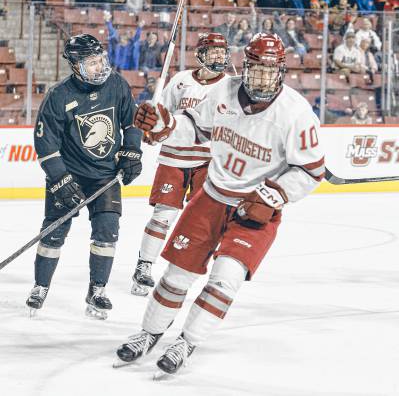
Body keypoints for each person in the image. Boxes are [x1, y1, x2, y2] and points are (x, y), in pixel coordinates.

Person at [116, 33, 325, 376]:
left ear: (281, 71)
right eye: (256, 70)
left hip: (255, 209)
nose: (261, 78)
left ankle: (187, 341)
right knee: (176, 275)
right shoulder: (222, 92)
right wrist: (165, 126)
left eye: (269, 71)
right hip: (212, 196)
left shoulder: (296, 114)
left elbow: (309, 172)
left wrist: (274, 196)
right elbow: (195, 130)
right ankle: (149, 333)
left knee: (224, 280)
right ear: (245, 68)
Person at [26, 34, 143, 319]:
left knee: (107, 233)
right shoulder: (59, 95)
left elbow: (132, 122)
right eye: (91, 63)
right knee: (53, 232)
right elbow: (46, 144)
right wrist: (60, 179)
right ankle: (40, 286)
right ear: (75, 65)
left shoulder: (116, 84)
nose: (99, 67)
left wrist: (132, 151)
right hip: (70, 175)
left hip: (105, 177)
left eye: (100, 60)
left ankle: (97, 290)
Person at [130, 33, 229, 296]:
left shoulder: (230, 86)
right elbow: (160, 115)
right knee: (163, 215)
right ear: (200, 55)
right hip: (173, 157)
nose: (219, 56)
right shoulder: (180, 81)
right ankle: (144, 265)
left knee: (205, 221)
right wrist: (151, 128)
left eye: (222, 52)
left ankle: (190, 272)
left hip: (207, 161)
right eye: (213, 52)